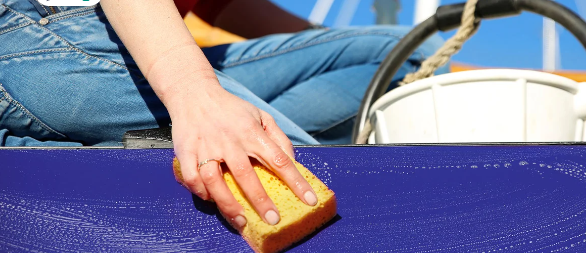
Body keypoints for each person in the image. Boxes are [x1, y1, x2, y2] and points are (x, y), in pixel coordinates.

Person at [0, 0, 447, 230]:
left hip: (141, 47)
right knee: (315, 189)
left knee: (401, 53)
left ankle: (161, 141)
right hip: (37, 39)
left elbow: (235, 11)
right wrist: (197, 95)